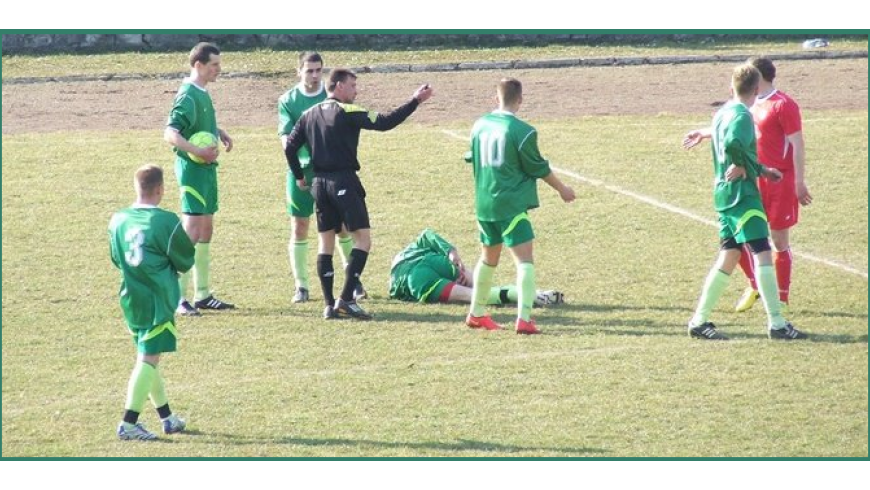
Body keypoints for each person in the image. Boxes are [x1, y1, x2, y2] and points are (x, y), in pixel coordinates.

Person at [284, 68, 433, 320]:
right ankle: (346, 299)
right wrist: (415, 100)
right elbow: (386, 122)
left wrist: (299, 176)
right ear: (339, 86)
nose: (356, 91)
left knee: (325, 244)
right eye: (353, 85)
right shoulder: (348, 111)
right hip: (343, 180)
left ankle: (329, 305)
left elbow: (289, 147)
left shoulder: (307, 115)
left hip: (319, 184)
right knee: (363, 240)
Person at [681, 63, 807, 341]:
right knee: (762, 251)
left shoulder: (722, 112)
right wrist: (745, 166)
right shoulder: (742, 116)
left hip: (724, 195)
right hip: (743, 195)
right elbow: (733, 146)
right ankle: (777, 323)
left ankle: (698, 321)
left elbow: (728, 143)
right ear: (755, 88)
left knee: (729, 254)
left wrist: (761, 170)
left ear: (732, 86)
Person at [464, 78, 576, 335]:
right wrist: (562, 189)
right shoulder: (523, 131)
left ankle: (476, 313)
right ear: (521, 100)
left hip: (484, 204)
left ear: (496, 99)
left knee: (488, 259)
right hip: (511, 205)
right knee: (524, 260)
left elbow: (471, 156)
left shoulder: (479, 125)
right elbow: (538, 168)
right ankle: (524, 319)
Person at [109, 164, 196, 440]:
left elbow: (115, 258)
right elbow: (185, 258)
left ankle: (167, 417)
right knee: (148, 359)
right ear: (160, 189)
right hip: (158, 299)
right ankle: (129, 422)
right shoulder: (166, 221)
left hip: (131, 298)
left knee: (147, 358)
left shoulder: (118, 219)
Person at [279, 52, 365, 304]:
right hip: (300, 173)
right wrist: (296, 168)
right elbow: (285, 138)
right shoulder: (288, 100)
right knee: (300, 227)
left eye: (318, 70)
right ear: (299, 72)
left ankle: (354, 282)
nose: (315, 76)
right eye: (309, 71)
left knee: (342, 228)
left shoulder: (329, 96)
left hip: (328, 173)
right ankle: (301, 286)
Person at [732, 56, 813, 313]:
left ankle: (781, 297)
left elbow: (797, 144)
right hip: (754, 179)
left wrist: (799, 182)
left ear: (759, 75)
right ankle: (755, 284)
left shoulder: (784, 105)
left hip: (780, 181)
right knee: (739, 236)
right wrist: (703, 132)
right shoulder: (748, 103)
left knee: (778, 240)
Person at [164, 41, 235, 316]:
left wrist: (217, 130)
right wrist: (198, 152)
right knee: (190, 233)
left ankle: (202, 294)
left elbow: (197, 125)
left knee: (206, 230)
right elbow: (171, 133)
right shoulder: (187, 96)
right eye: (214, 64)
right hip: (192, 171)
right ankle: (178, 298)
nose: (219, 69)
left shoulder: (202, 92)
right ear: (199, 65)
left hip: (206, 169)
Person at [390, 229, 565, 306]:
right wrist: (451, 252)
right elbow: (427, 234)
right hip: (436, 262)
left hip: (418, 280)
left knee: (475, 296)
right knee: (483, 287)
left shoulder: (398, 267)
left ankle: (532, 296)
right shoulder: (415, 248)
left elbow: (395, 291)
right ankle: (531, 294)